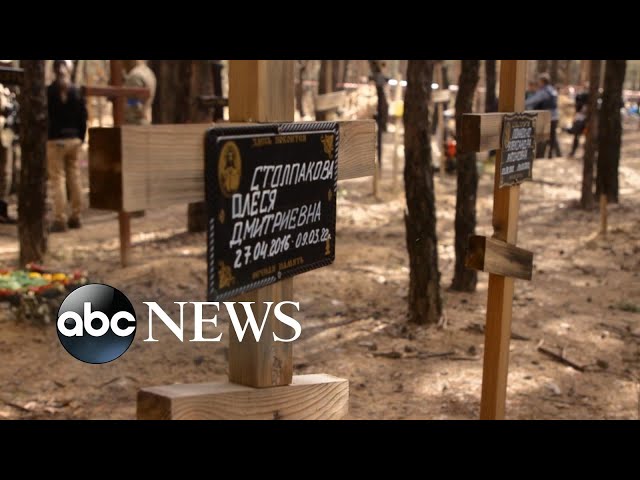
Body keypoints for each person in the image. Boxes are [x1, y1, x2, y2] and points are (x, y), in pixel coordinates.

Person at [47, 60, 87, 232]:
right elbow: (83, 117)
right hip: (73, 140)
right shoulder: (76, 92)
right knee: (74, 177)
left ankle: (60, 219)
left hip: (55, 140)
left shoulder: (49, 92)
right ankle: (76, 216)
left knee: (58, 179)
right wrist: (80, 137)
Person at [526, 73, 562, 158]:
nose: (538, 83)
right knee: (552, 136)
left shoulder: (544, 91)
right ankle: (553, 154)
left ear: (543, 81)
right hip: (555, 116)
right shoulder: (552, 90)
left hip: (547, 117)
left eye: (539, 81)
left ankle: (542, 155)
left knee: (543, 136)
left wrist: (522, 103)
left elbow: (533, 100)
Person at [122, 60, 156, 125]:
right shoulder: (148, 72)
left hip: (134, 123)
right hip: (142, 119)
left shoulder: (135, 76)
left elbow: (133, 104)